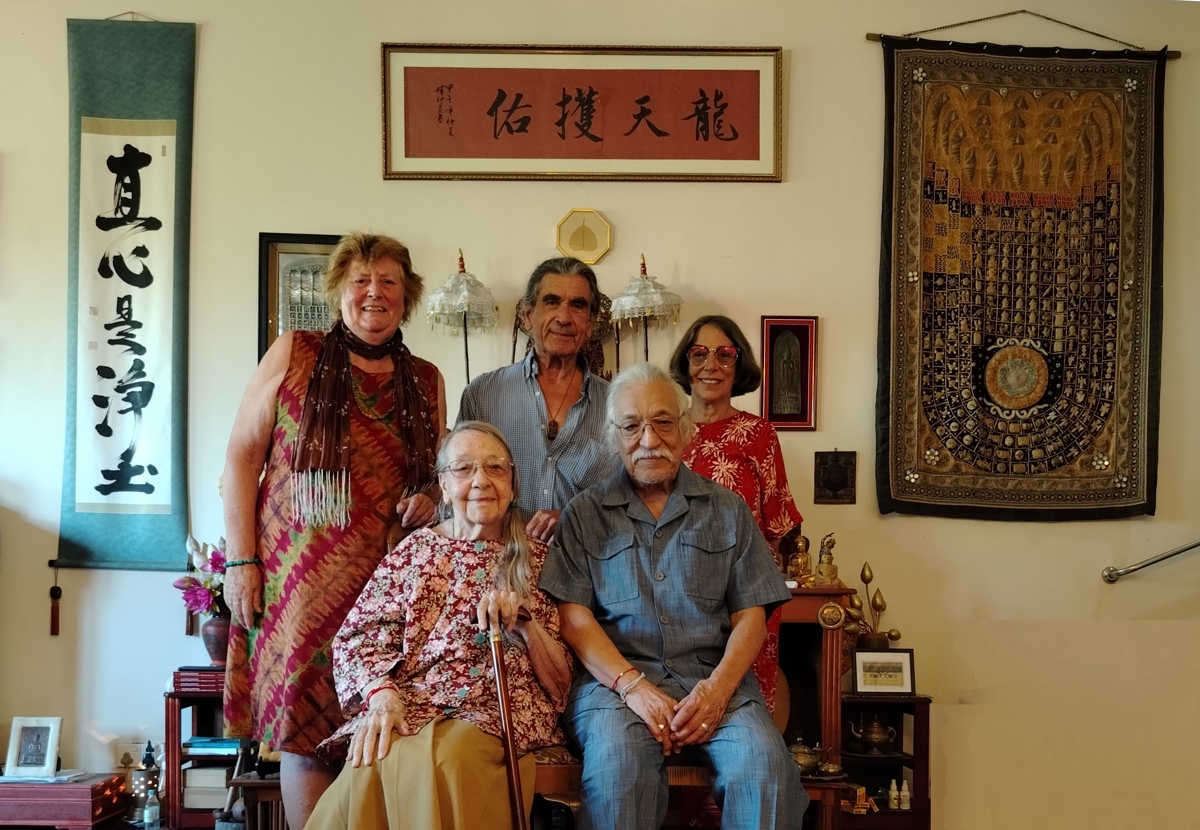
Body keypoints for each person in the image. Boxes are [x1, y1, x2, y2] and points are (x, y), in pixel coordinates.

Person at [221, 232, 447, 830]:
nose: (375, 292)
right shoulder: (294, 351)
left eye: (389, 282)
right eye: (360, 280)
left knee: (381, 719)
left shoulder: (427, 379)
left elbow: (436, 478)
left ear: (406, 295)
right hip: (298, 580)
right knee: (306, 730)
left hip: (386, 582)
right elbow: (241, 458)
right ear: (338, 291)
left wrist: (429, 497)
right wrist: (240, 562)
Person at [539, 363, 808, 830]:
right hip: (615, 687)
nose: (649, 439)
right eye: (631, 426)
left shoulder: (728, 509)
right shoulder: (584, 514)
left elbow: (752, 616)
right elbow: (574, 618)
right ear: (613, 437)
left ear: (685, 430)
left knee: (764, 770)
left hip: (714, 681)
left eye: (663, 422)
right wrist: (634, 687)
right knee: (619, 773)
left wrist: (718, 690)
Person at [306, 422, 572, 830]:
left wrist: (525, 624)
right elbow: (359, 638)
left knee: (451, 757)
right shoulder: (413, 551)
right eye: (463, 469)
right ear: (444, 487)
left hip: (497, 708)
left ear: (512, 484)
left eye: (495, 468)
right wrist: (382, 696)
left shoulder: (537, 559)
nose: (481, 480)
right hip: (412, 701)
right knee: (373, 755)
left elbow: (561, 684)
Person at [668, 315, 803, 716]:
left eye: (724, 354)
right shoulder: (665, 431)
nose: (711, 365)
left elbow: (777, 524)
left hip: (744, 598)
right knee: (676, 711)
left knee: (741, 711)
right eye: (699, 354)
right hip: (674, 594)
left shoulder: (759, 435)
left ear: (738, 364)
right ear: (685, 363)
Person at [458, 256, 617, 543]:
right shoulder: (483, 393)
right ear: (529, 315)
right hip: (500, 559)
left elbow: (628, 498)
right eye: (552, 302)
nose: (564, 317)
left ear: (590, 323)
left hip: (586, 563)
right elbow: (458, 482)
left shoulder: (618, 405)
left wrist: (574, 518)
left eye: (577, 305)